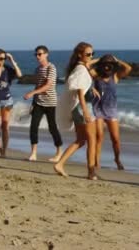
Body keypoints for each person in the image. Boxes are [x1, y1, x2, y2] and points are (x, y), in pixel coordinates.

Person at [53, 42, 97, 180]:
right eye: (88, 54)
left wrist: (92, 89)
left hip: (76, 109)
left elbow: (82, 85)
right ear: (80, 55)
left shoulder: (80, 67)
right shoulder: (81, 70)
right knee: (91, 140)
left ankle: (60, 164)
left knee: (81, 140)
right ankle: (91, 173)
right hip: (83, 108)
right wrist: (86, 111)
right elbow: (79, 91)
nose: (91, 56)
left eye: (92, 54)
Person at [90, 54, 132, 170]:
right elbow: (86, 66)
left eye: (109, 64)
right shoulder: (96, 76)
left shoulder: (115, 77)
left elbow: (128, 68)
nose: (107, 67)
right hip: (98, 109)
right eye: (105, 64)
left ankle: (117, 159)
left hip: (111, 111)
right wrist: (98, 60)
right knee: (99, 137)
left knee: (116, 139)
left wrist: (117, 59)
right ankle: (97, 162)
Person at [23, 45, 63, 162]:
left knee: (52, 128)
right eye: (36, 54)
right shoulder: (38, 69)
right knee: (33, 127)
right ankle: (34, 153)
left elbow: (48, 85)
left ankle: (59, 152)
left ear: (46, 54)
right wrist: (33, 101)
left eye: (40, 54)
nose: (37, 56)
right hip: (38, 103)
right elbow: (38, 85)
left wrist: (31, 93)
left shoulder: (51, 68)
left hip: (50, 102)